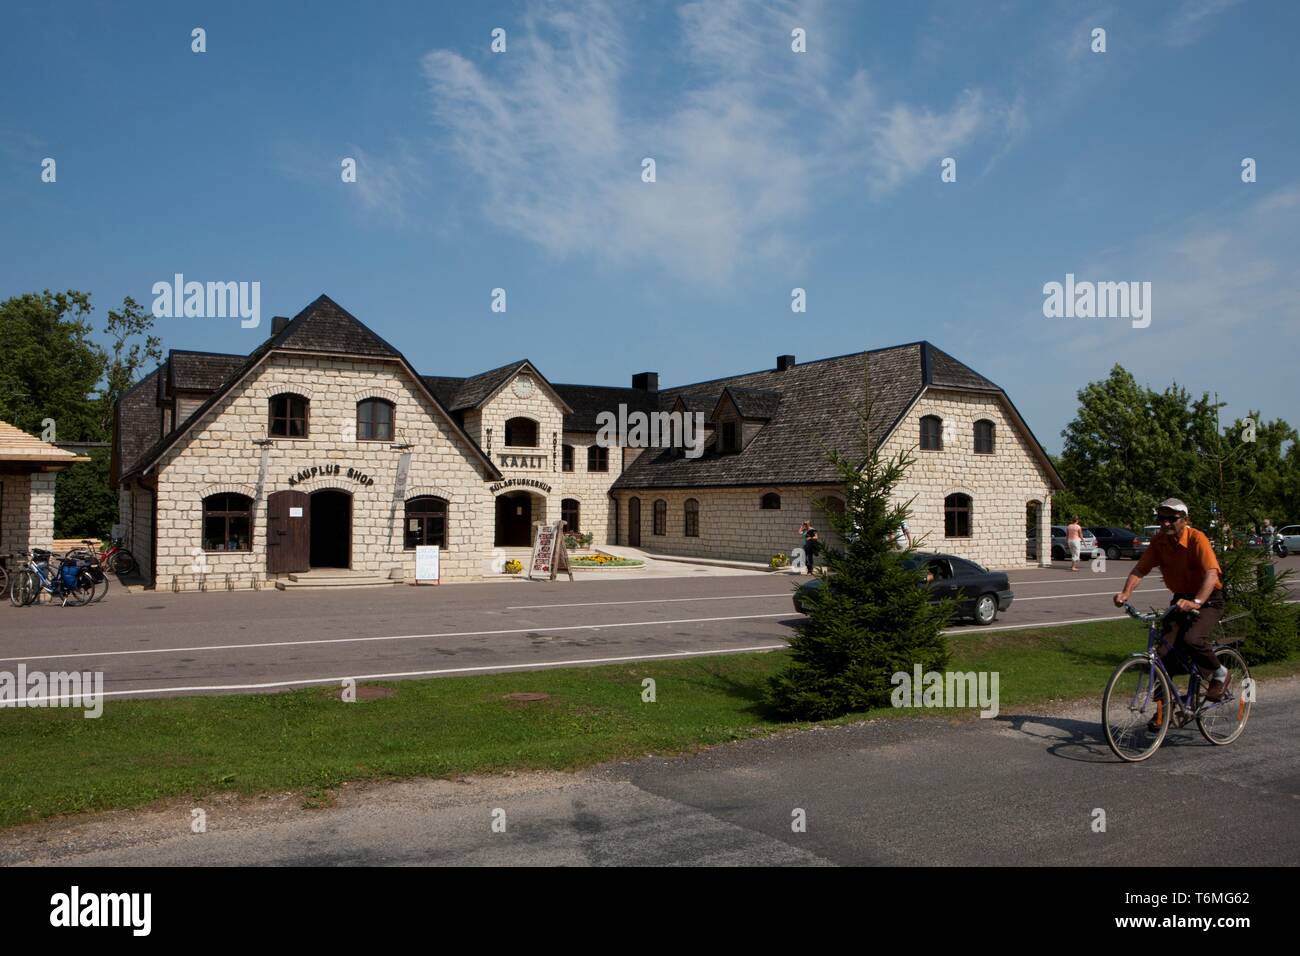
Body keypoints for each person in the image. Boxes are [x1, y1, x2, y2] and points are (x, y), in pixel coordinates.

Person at [1113, 499, 1230, 729]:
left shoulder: (1197, 539)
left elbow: (1211, 574)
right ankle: (1162, 712)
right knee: (1162, 655)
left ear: (1185, 520)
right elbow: (1140, 569)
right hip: (1180, 599)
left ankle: (1220, 673)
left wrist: (1197, 602)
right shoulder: (1159, 542)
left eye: (1172, 519)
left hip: (1208, 599)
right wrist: (1125, 593)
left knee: (1193, 639)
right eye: (1161, 519)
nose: (1166, 523)